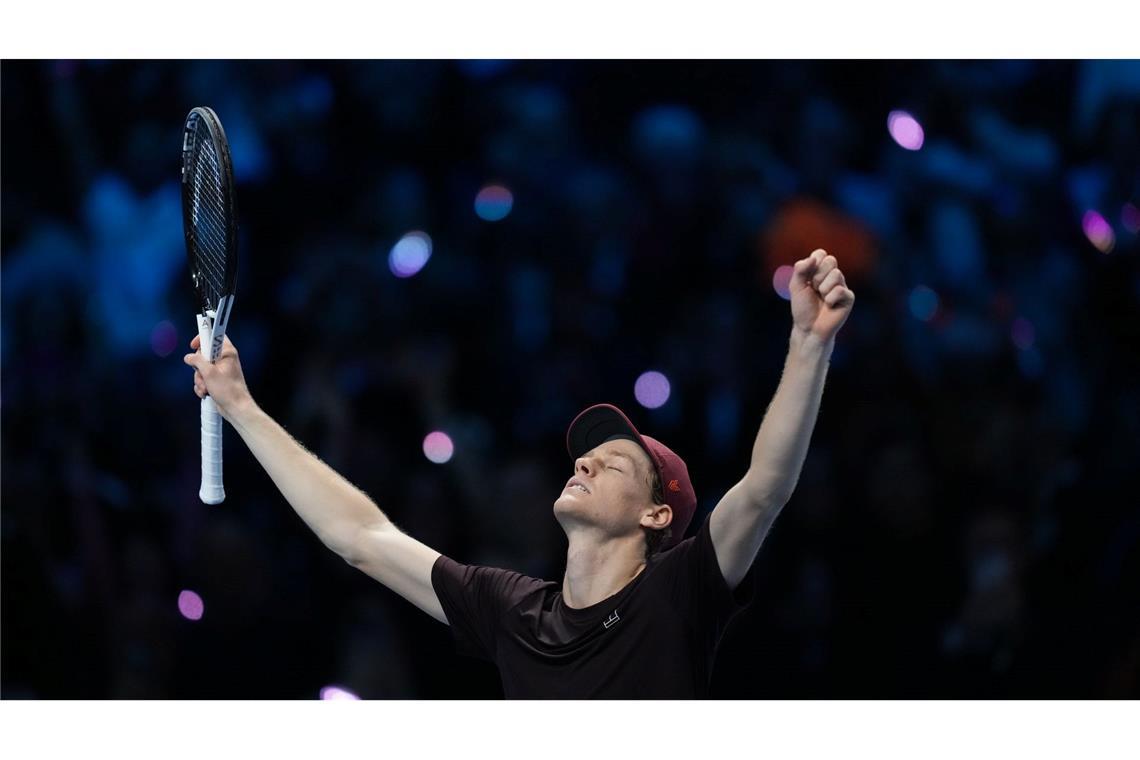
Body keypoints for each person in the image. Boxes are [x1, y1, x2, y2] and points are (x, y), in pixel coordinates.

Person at [184, 248, 855, 698]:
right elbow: (359, 535)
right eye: (587, 454)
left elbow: (764, 488)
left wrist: (809, 342)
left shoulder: (679, 591)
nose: (585, 460)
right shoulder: (511, 611)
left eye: (616, 462)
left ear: (656, 516)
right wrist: (242, 407)